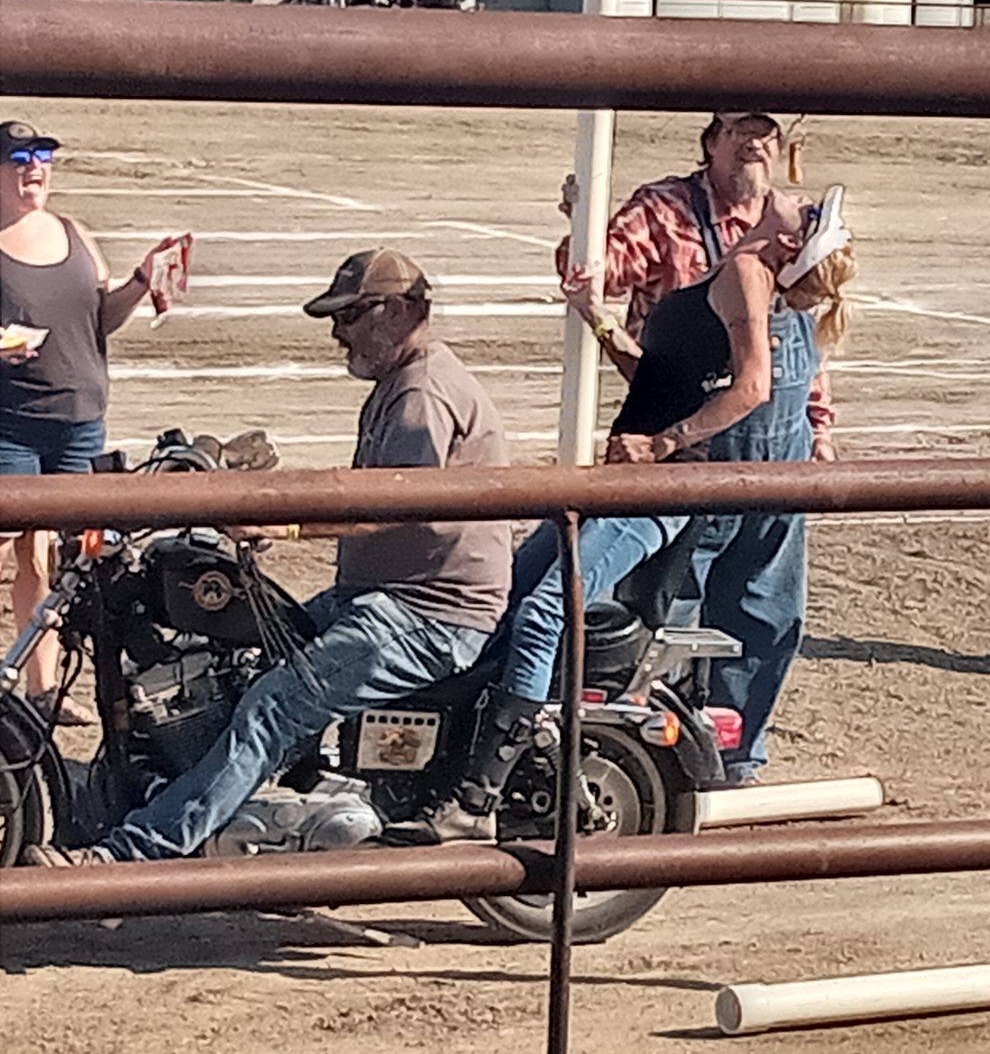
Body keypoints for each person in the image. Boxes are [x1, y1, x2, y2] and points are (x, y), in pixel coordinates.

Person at [23, 248, 513, 866]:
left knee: (272, 707)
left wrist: (282, 524)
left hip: (428, 614)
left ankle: (134, 857)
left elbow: (393, 501)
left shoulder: (424, 393)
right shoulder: (404, 381)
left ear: (391, 312)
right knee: (242, 662)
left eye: (349, 316)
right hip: (378, 597)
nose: (337, 333)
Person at [402, 188, 856, 843]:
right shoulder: (734, 270)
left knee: (544, 610)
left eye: (809, 211)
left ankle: (479, 795)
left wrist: (664, 441)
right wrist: (596, 310)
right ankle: (441, 752)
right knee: (508, 594)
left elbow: (753, 387)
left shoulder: (750, 277)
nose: (799, 193)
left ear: (791, 242)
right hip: (649, 479)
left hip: (667, 488)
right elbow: (662, 379)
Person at [0, 120, 190, 726]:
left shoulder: (73, 232)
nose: (36, 168)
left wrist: (141, 282)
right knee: (14, 546)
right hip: (11, 422)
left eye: (44, 157)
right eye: (21, 158)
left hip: (80, 420)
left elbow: (98, 318)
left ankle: (42, 688)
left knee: (64, 558)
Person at [557, 109, 837, 460]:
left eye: (764, 134)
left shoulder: (793, 228)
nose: (753, 144)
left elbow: (809, 345)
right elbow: (604, 272)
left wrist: (819, 431)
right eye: (739, 132)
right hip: (682, 421)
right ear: (711, 142)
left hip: (773, 442)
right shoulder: (666, 208)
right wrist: (584, 228)